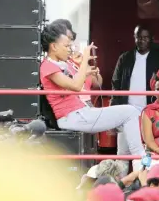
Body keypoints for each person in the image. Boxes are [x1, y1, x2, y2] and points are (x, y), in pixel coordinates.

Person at [39, 22, 145, 170]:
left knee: (125, 121)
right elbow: (76, 86)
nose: (69, 50)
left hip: (81, 113)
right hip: (72, 117)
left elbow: (88, 81)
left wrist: (86, 69)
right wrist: (86, 57)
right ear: (54, 46)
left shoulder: (62, 64)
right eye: (66, 46)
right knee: (131, 112)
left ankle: (128, 164)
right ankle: (140, 163)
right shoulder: (48, 66)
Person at [111, 24, 159, 110]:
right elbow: (116, 84)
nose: (142, 40)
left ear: (152, 38)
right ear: (134, 37)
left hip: (154, 110)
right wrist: (114, 107)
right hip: (127, 110)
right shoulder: (125, 58)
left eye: (146, 37)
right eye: (139, 37)